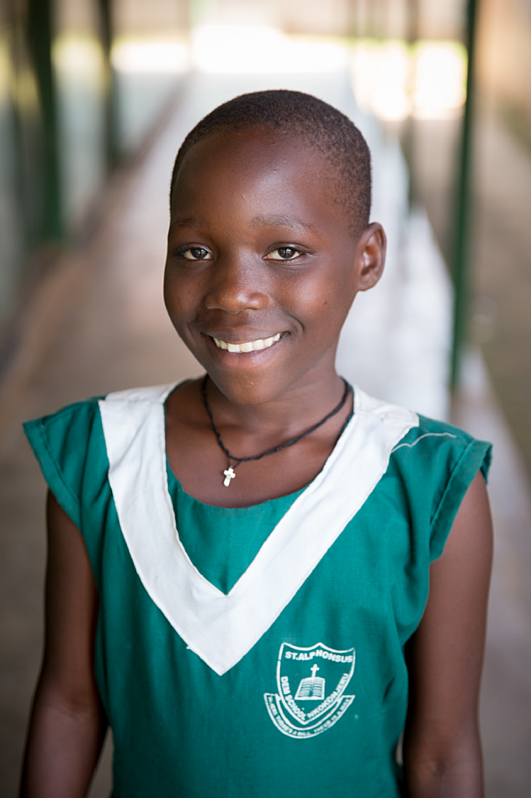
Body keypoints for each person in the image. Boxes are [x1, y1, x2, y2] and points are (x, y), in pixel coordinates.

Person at [20, 90, 493, 798]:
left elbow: (441, 755)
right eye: (196, 250)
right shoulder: (101, 458)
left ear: (365, 259)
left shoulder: (428, 486)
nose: (234, 290)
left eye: (286, 251)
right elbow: (68, 703)